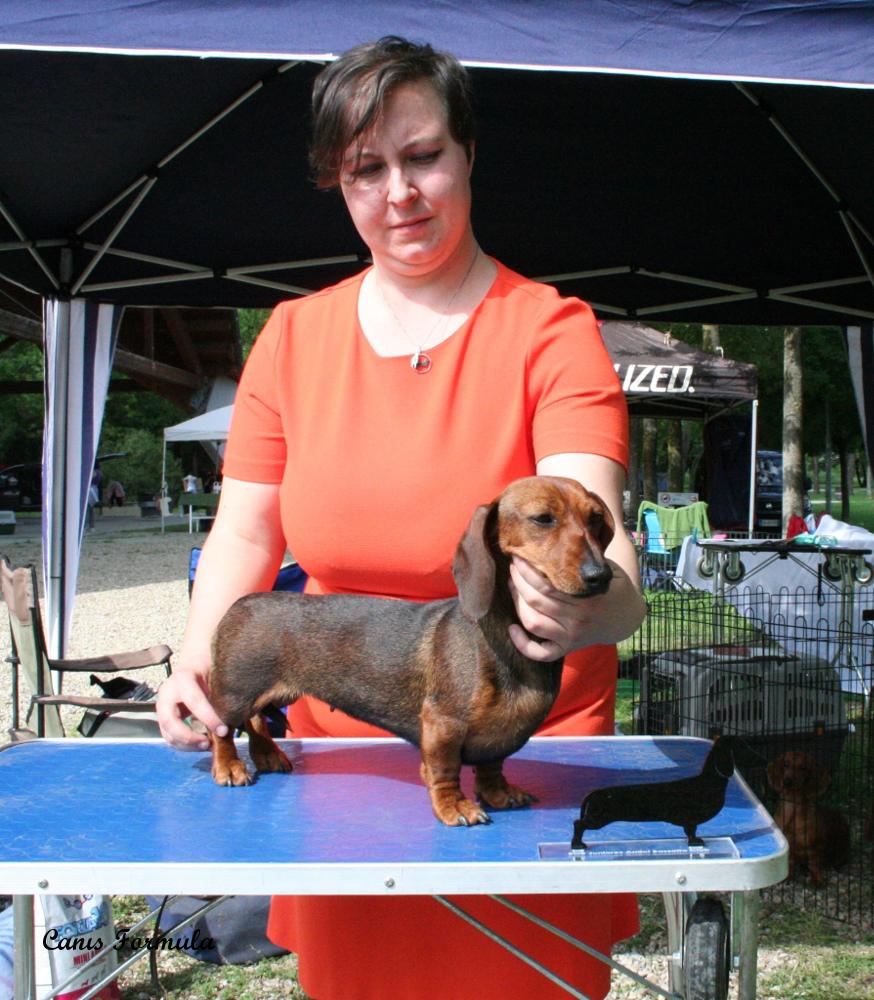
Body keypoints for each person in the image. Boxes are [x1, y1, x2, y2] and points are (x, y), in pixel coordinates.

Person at [157, 36, 646, 1000]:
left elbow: (597, 516)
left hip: (527, 766)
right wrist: (196, 660)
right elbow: (248, 533)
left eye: (422, 156)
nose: (398, 194)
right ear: (338, 185)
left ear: (467, 153)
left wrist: (604, 605)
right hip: (352, 773)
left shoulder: (554, 330)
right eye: (364, 170)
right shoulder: (292, 338)